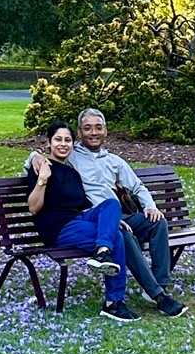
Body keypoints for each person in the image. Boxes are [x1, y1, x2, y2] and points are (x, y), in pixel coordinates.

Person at [25, 121, 178, 322]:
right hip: (58, 228)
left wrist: (111, 220)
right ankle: (113, 302)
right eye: (58, 140)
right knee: (117, 237)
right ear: (49, 143)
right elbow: (33, 208)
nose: (63, 144)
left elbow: (83, 205)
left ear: (73, 143)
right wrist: (42, 177)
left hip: (79, 218)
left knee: (111, 205)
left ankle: (103, 253)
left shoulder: (72, 171)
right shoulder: (41, 168)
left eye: (67, 140)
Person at [70, 106, 187, 316]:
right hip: (99, 221)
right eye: (88, 128)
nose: (94, 133)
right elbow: (45, 156)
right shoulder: (72, 156)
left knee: (157, 222)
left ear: (105, 131)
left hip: (122, 216)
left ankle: (160, 283)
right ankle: (158, 296)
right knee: (124, 236)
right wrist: (34, 157)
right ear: (79, 133)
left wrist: (151, 206)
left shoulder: (114, 161)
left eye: (98, 128)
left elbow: (138, 187)